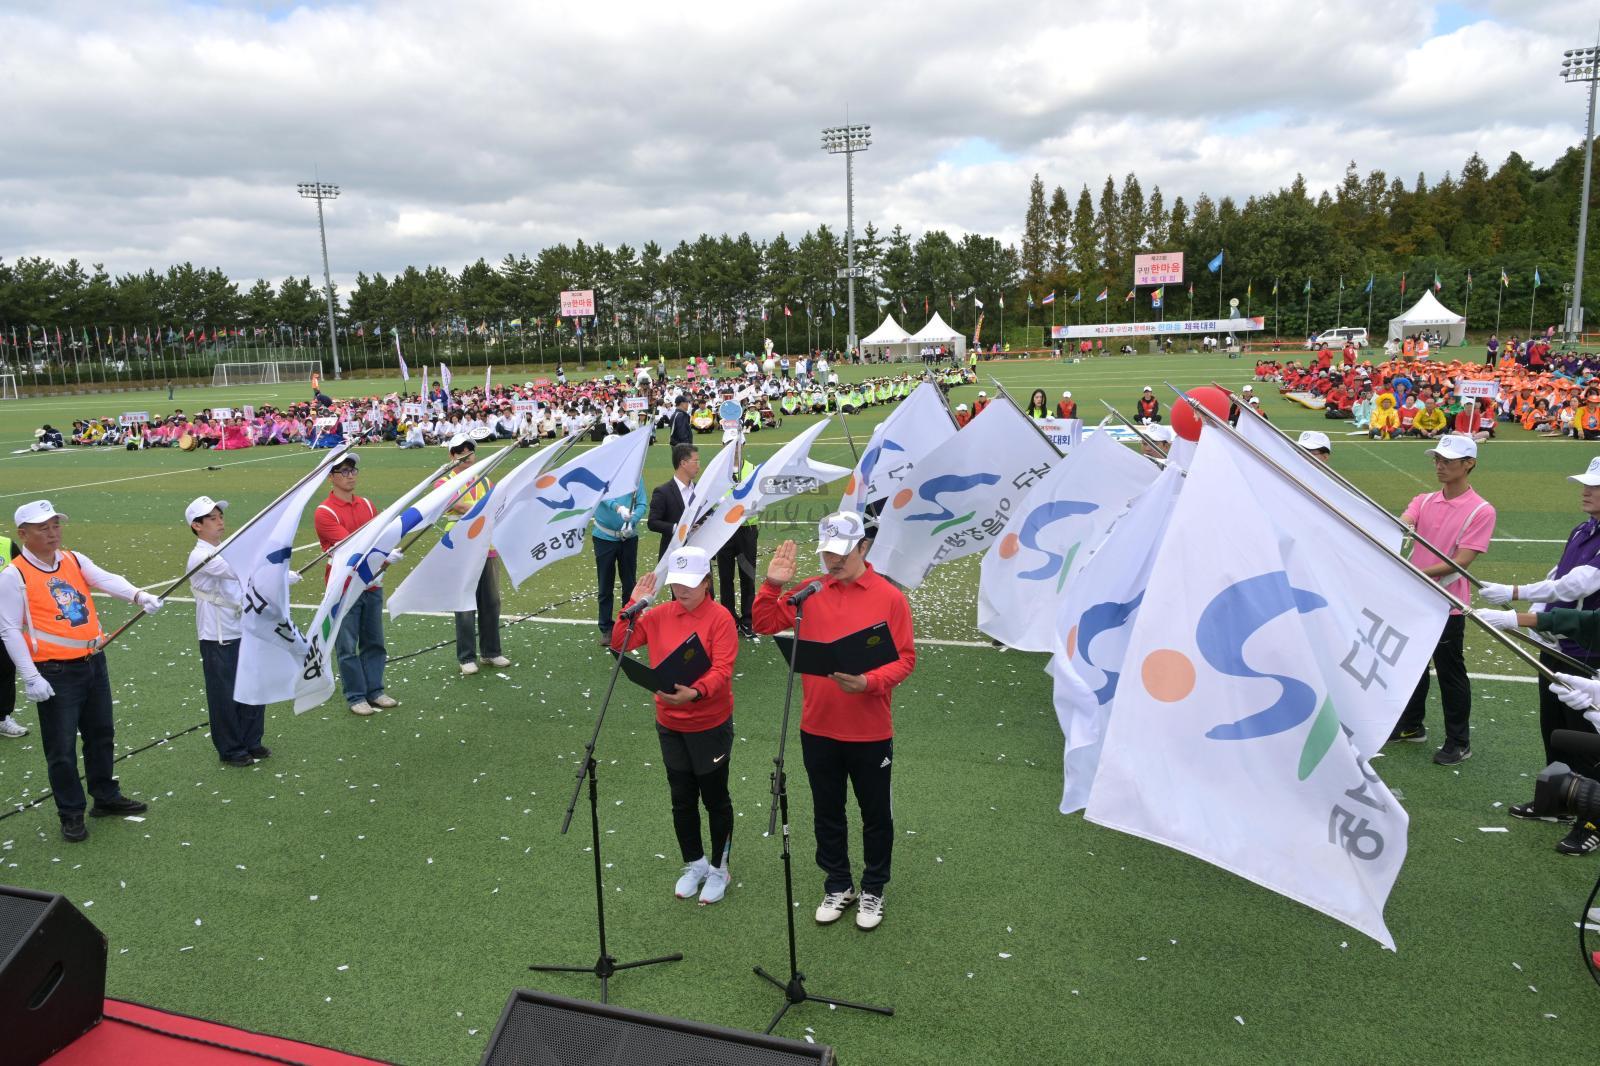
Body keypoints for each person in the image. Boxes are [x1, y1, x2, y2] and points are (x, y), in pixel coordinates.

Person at [753, 511, 916, 931]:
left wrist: (868, 682)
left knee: (876, 813)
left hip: (870, 730)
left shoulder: (890, 598)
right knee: (828, 810)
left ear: (863, 547)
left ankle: (874, 888)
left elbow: (905, 659)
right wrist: (773, 584)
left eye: (841, 552)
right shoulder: (810, 593)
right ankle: (838, 883)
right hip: (817, 727)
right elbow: (765, 622)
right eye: (827, 553)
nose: (833, 561)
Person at [0, 500, 155, 842]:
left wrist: (138, 596)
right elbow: (9, 629)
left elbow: (104, 578)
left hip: (92, 661)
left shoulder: (72, 558)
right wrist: (30, 676)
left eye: (56, 525)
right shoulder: (14, 576)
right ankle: (70, 811)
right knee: (61, 748)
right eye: (44, 528)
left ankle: (105, 796)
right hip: (54, 672)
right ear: (23, 534)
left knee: (101, 734)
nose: (53, 533)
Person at [1474, 456, 1600, 853]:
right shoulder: (1583, 529)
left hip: (1588, 651)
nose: (1586, 490)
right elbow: (1555, 578)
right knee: (1554, 729)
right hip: (1559, 645)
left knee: (1588, 741)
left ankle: (1590, 819)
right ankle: (1555, 798)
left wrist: (1515, 604)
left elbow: (1577, 586)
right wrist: (1526, 612)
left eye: (1594, 486)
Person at [612, 547, 739, 904]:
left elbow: (723, 669)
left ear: (706, 582)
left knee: (715, 798)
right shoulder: (659, 615)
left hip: (709, 722)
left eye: (689, 584)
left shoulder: (720, 618)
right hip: (669, 722)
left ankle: (719, 867)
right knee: (681, 799)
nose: (680, 592)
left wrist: (695, 693)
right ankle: (695, 863)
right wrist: (632, 606)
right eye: (676, 584)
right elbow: (621, 642)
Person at [1386, 434, 1496, 765]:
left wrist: (1416, 573)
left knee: (1450, 672)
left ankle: (1459, 741)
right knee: (1412, 666)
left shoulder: (1481, 510)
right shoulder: (1423, 500)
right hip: (1414, 596)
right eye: (1437, 459)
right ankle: (1411, 725)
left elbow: (1462, 560)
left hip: (1446, 604)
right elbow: (1402, 524)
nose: (1440, 465)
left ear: (1469, 464)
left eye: (1447, 460)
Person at [184, 496, 270, 767]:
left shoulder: (225, 548)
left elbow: (245, 576)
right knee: (224, 694)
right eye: (212, 518)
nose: (220, 522)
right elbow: (238, 570)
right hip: (217, 634)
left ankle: (251, 741)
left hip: (243, 628)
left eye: (220, 516)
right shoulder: (200, 555)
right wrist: (276, 572)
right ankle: (231, 749)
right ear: (197, 526)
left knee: (253, 685)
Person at [312, 453, 398, 716]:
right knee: (347, 645)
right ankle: (355, 695)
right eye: (343, 472)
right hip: (344, 587)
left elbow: (381, 534)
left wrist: (385, 552)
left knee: (374, 641)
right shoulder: (324, 512)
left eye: (353, 470)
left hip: (371, 583)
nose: (350, 476)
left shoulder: (367, 505)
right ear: (331, 477)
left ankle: (375, 690)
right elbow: (352, 548)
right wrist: (382, 556)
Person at [438, 435, 510, 676]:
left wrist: (487, 507)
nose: (467, 455)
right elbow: (457, 505)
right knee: (465, 603)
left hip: (486, 546)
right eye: (460, 451)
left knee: (491, 601)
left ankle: (491, 652)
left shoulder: (485, 480)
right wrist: (483, 507)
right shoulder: (444, 482)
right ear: (452, 455)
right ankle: (466, 656)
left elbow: (497, 504)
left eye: (470, 451)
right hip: (460, 546)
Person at [593, 470, 648, 646]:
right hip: (604, 537)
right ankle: (606, 628)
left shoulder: (635, 476)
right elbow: (602, 495)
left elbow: (641, 503)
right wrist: (618, 508)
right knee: (605, 585)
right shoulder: (602, 475)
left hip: (628, 537)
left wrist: (632, 521)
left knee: (629, 584)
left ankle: (628, 624)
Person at [717, 456, 760, 639]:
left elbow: (760, 496)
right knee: (725, 577)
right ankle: (729, 619)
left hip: (746, 528)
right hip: (724, 529)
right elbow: (710, 496)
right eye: (729, 443)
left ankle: (748, 620)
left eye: (737, 444)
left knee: (747, 576)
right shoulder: (719, 470)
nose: (733, 449)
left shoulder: (753, 469)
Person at [0, 532, 25, 739]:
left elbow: (24, 575)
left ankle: (2, 718)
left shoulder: (6, 545)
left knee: (6, 667)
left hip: (4, 621)